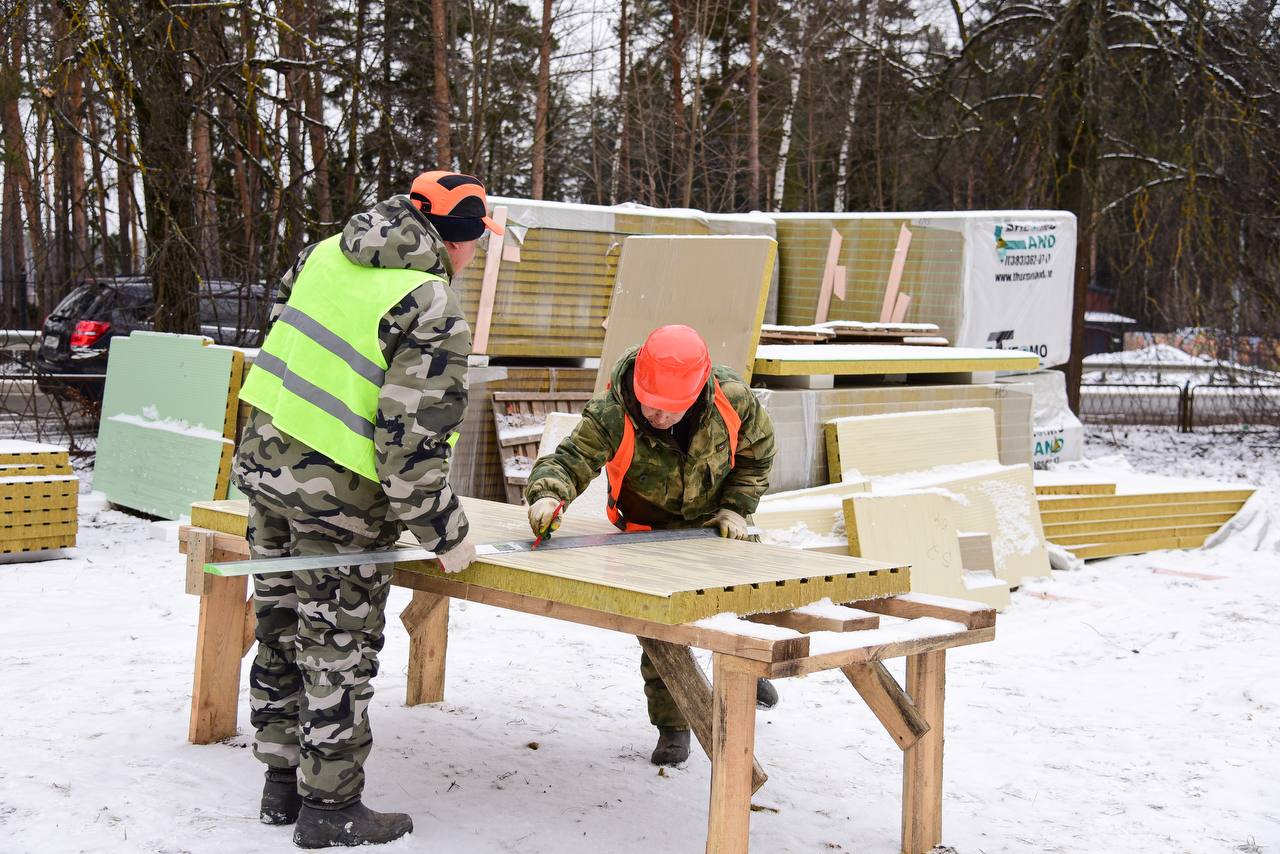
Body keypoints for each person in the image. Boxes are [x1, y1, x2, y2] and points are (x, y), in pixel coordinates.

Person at [233, 170, 502, 848]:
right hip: (342, 502)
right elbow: (411, 447)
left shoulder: (325, 251)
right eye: (478, 242)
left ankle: (280, 785)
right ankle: (329, 811)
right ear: (461, 238)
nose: (475, 256)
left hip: (267, 470)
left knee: (281, 626)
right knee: (337, 650)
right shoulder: (430, 302)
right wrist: (447, 533)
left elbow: (287, 344)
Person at [523, 324, 779, 766]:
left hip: (716, 521)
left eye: (670, 410)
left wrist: (737, 507)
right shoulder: (612, 410)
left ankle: (742, 671)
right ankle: (674, 724)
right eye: (652, 406)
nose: (658, 417)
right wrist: (548, 493)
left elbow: (759, 456)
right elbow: (570, 459)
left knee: (734, 601)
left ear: (696, 394)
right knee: (662, 630)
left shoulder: (732, 401)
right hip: (646, 528)